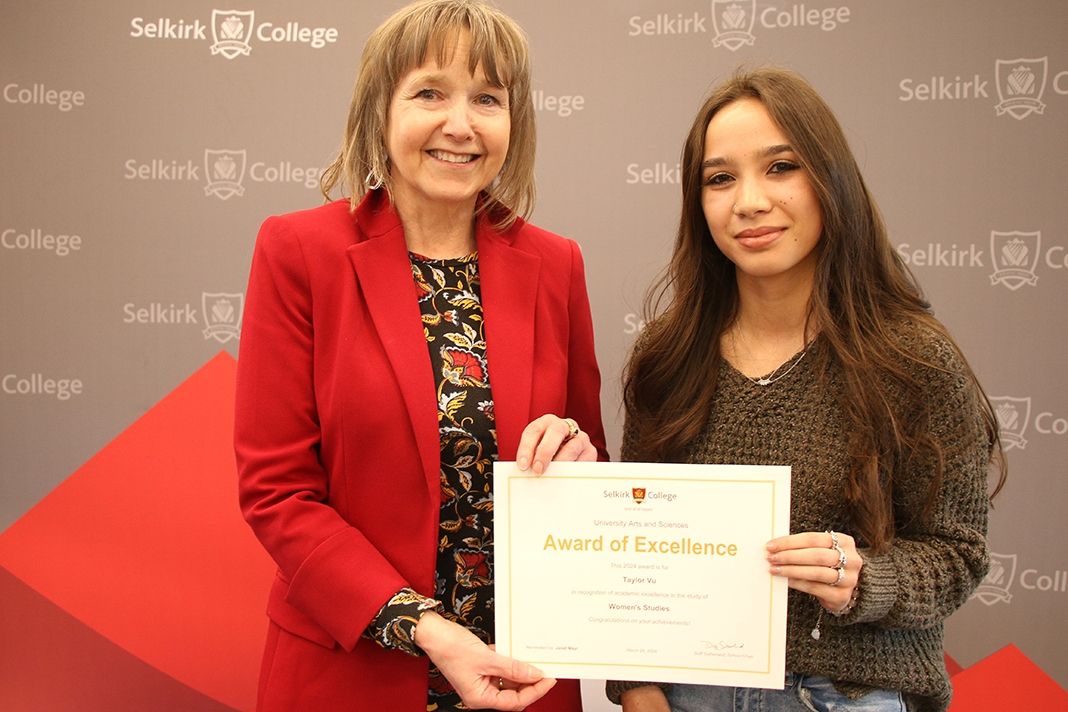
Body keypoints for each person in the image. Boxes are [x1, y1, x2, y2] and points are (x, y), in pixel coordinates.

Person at [233, 2, 608, 710]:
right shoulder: (299, 252)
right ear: (381, 109)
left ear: (513, 122)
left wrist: (579, 456)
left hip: (523, 677)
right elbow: (276, 492)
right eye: (430, 92)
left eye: (487, 99)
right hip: (352, 672)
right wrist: (429, 631)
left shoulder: (556, 264)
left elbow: (589, 467)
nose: (460, 124)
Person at [607, 68, 1005, 712]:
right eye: (720, 178)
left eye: (781, 167)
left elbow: (956, 557)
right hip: (689, 693)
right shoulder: (668, 356)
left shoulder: (913, 360)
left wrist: (863, 580)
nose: (750, 201)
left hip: (846, 694)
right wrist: (636, 687)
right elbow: (638, 551)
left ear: (830, 181)